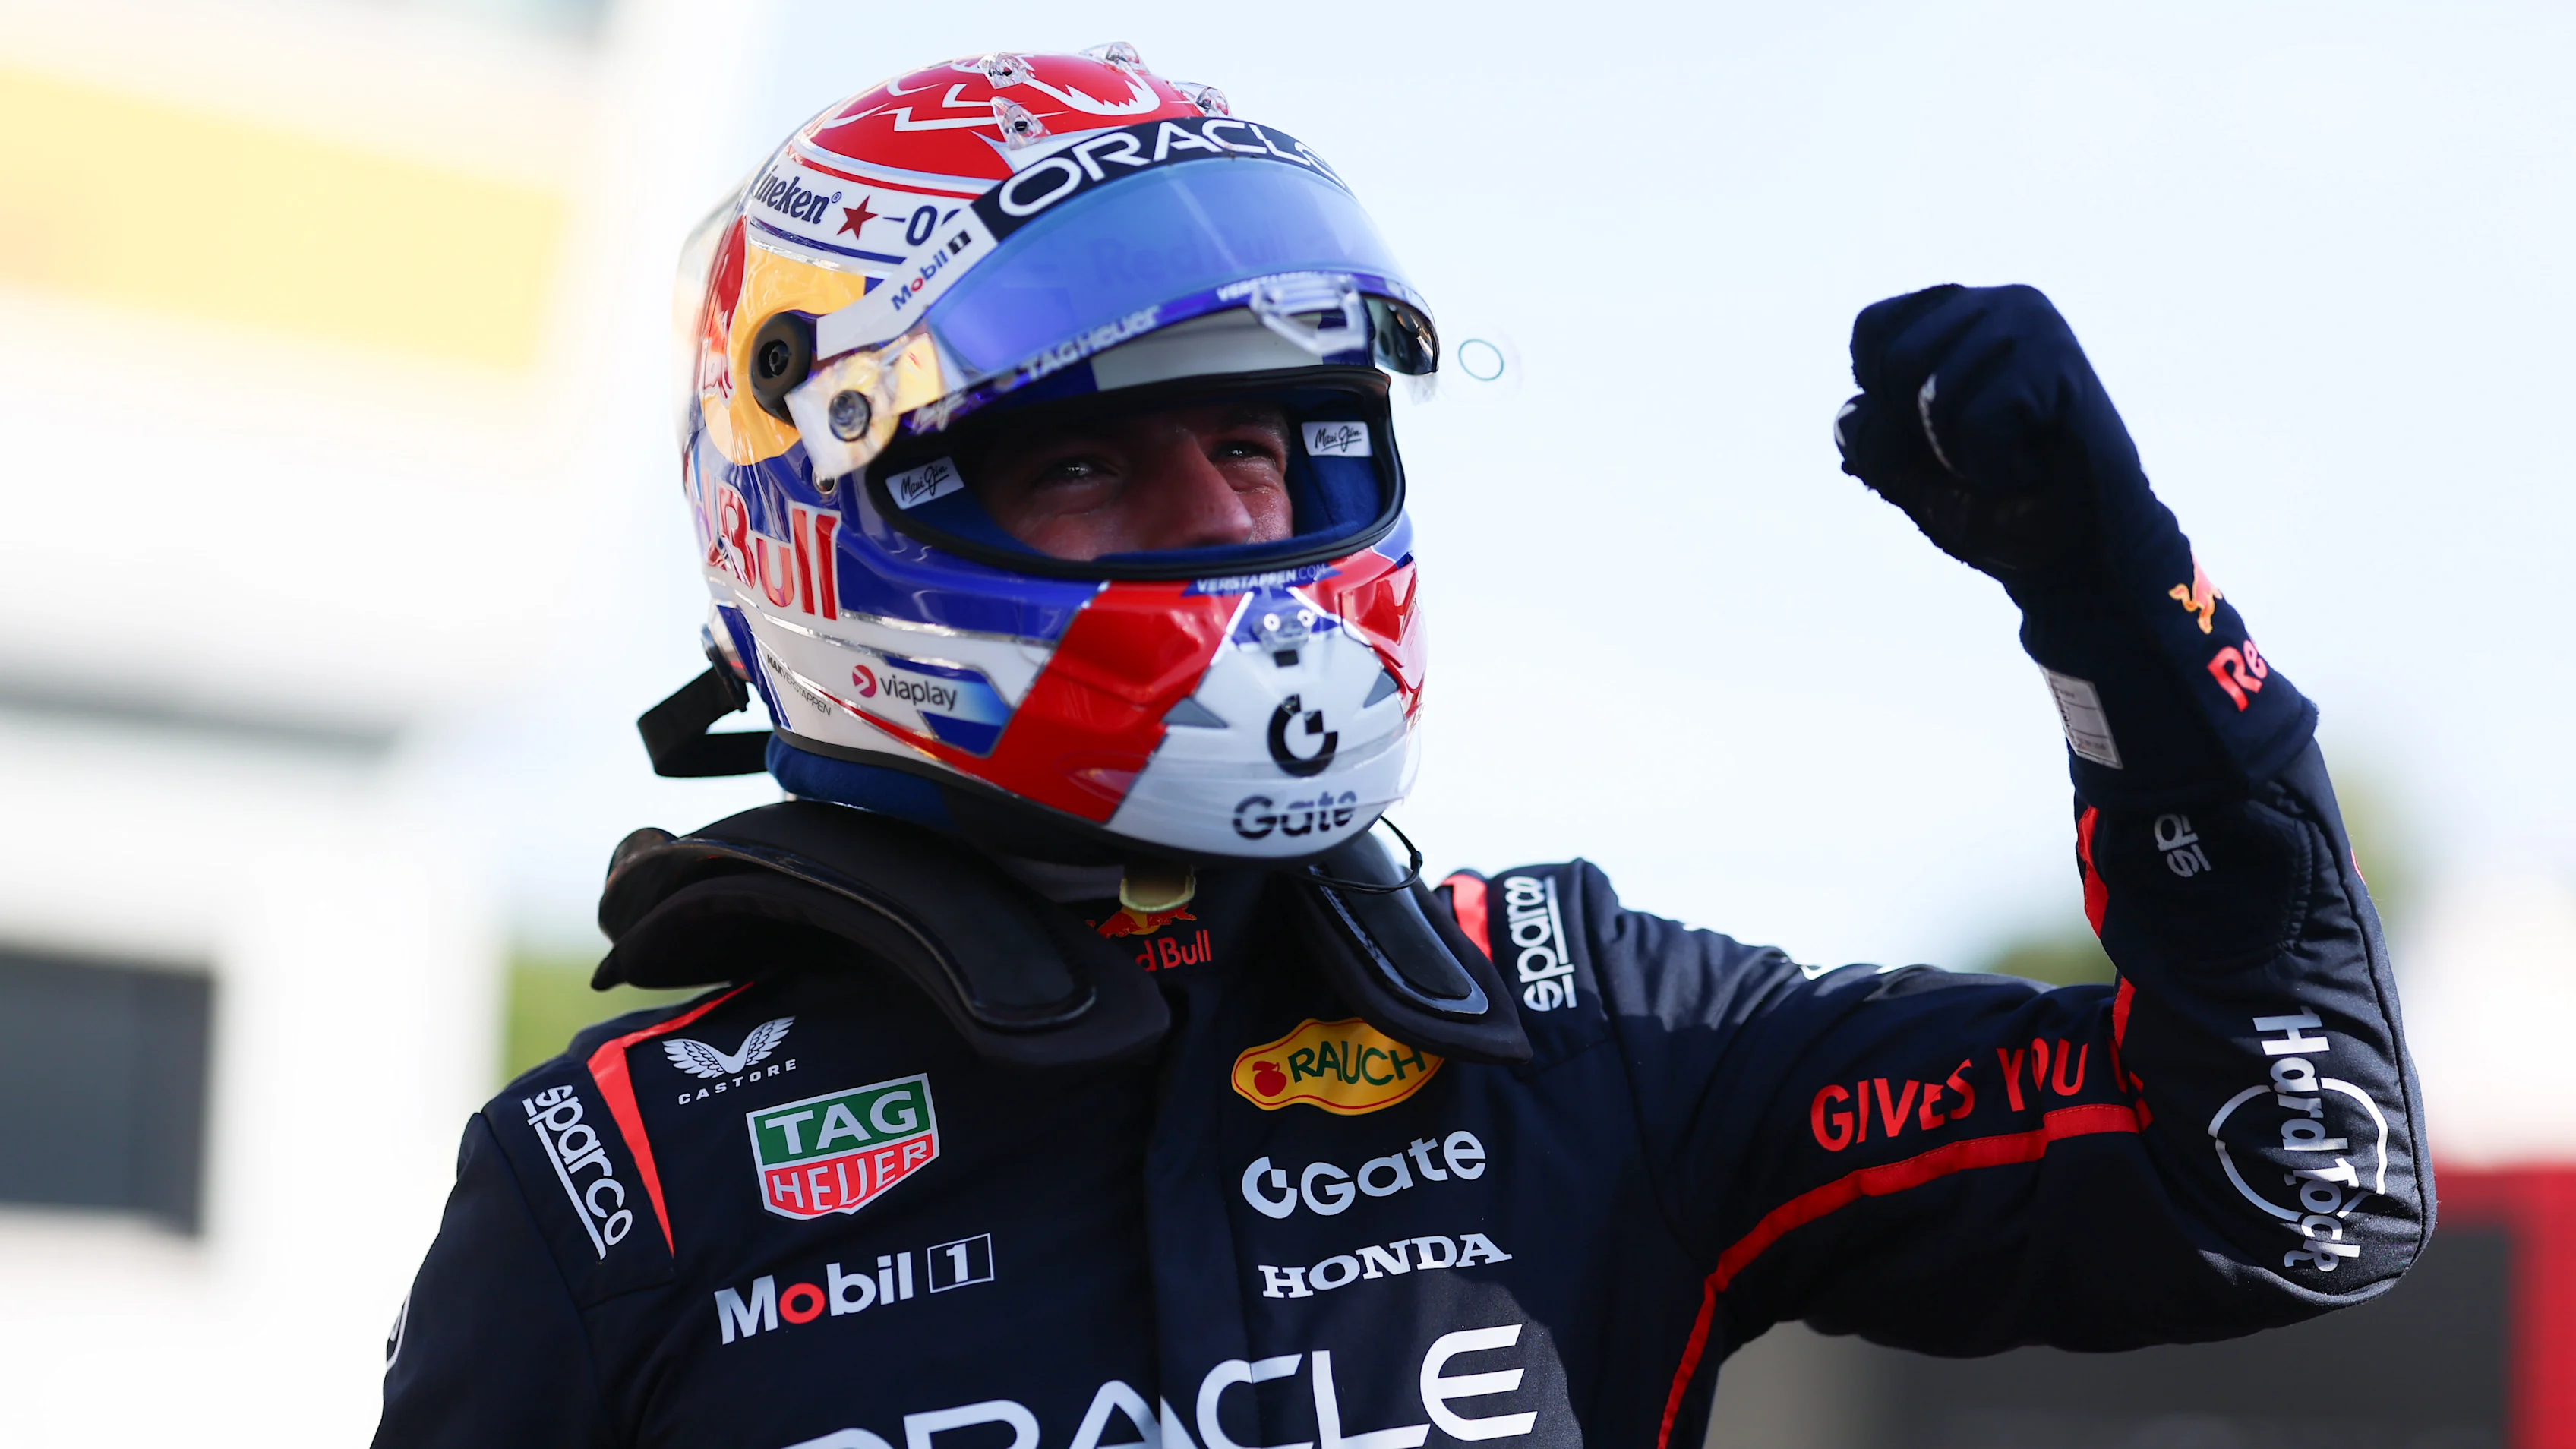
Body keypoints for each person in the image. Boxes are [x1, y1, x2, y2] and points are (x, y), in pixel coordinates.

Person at [374, 46, 2426, 1449]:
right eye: (1093, 459)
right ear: (838, 517)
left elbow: (2294, 1182)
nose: (1227, 526)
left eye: (1261, 445)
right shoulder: (617, 1187)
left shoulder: (1579, 1031)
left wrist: (2122, 624)